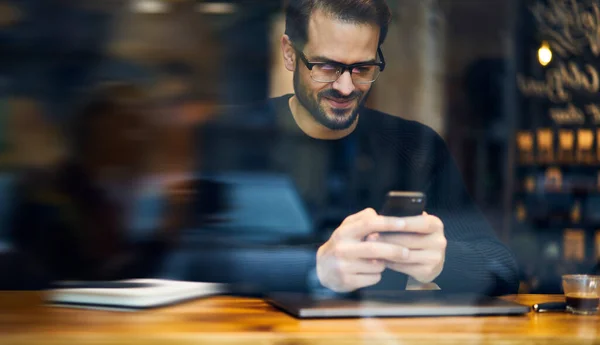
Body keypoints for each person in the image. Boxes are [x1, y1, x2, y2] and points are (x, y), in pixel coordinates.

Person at [202, 0, 519, 296]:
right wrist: (314, 268)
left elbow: (502, 268)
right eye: (326, 67)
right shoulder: (236, 138)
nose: (345, 87)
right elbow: (194, 261)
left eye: (363, 69)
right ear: (289, 53)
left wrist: (445, 262)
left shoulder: (415, 148)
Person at [6, 83, 191, 284]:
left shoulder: (95, 196)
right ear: (97, 128)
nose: (141, 139)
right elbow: (97, 285)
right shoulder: (52, 198)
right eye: (129, 124)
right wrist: (165, 233)